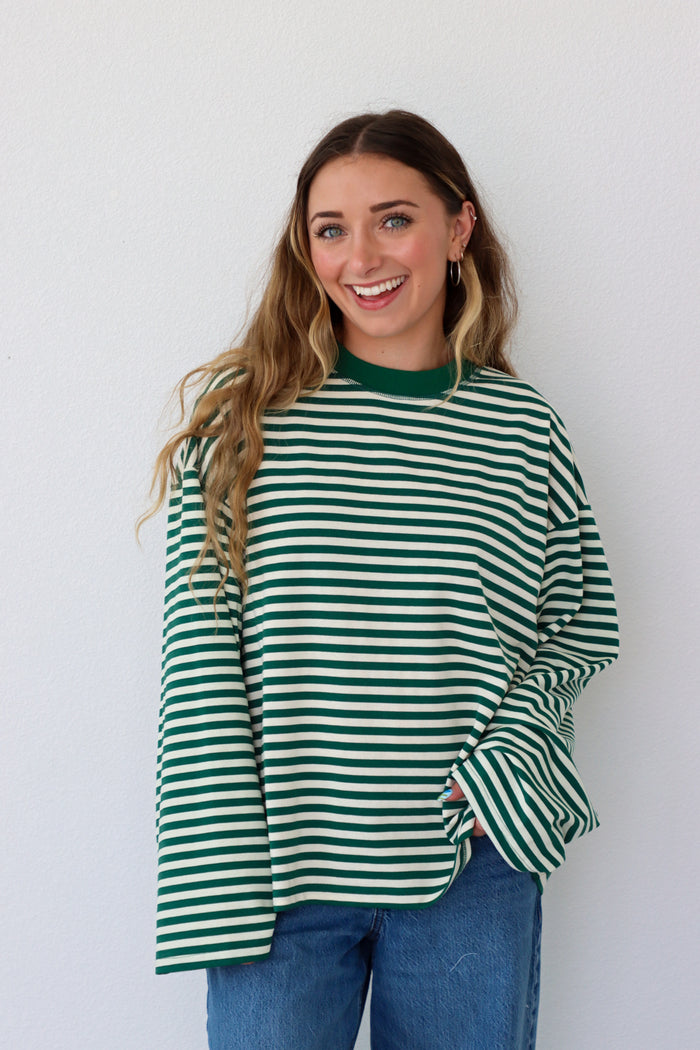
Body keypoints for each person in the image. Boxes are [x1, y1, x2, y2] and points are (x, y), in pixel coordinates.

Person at [148, 110, 619, 1050]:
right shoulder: (242, 421)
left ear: (458, 230)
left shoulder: (523, 431)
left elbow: (578, 628)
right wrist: (218, 881)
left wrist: (508, 761)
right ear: (307, 249)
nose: (361, 254)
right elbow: (199, 666)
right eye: (331, 229)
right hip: (279, 875)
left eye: (394, 218)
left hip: (469, 864)